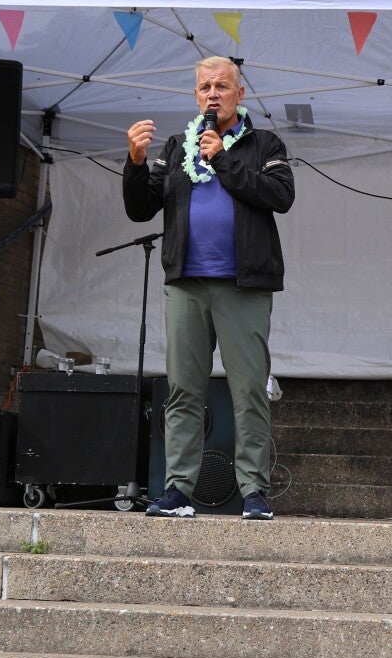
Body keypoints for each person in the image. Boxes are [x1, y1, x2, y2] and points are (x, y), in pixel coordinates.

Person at [123, 55, 294, 520]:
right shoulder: (178, 145)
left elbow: (280, 196)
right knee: (183, 390)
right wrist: (135, 164)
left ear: (240, 93)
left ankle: (254, 491)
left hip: (244, 285)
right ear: (196, 95)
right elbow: (141, 208)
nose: (213, 94)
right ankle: (178, 490)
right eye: (205, 87)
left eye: (221, 86)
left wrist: (221, 159)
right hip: (187, 284)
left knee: (249, 389)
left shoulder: (264, 143)